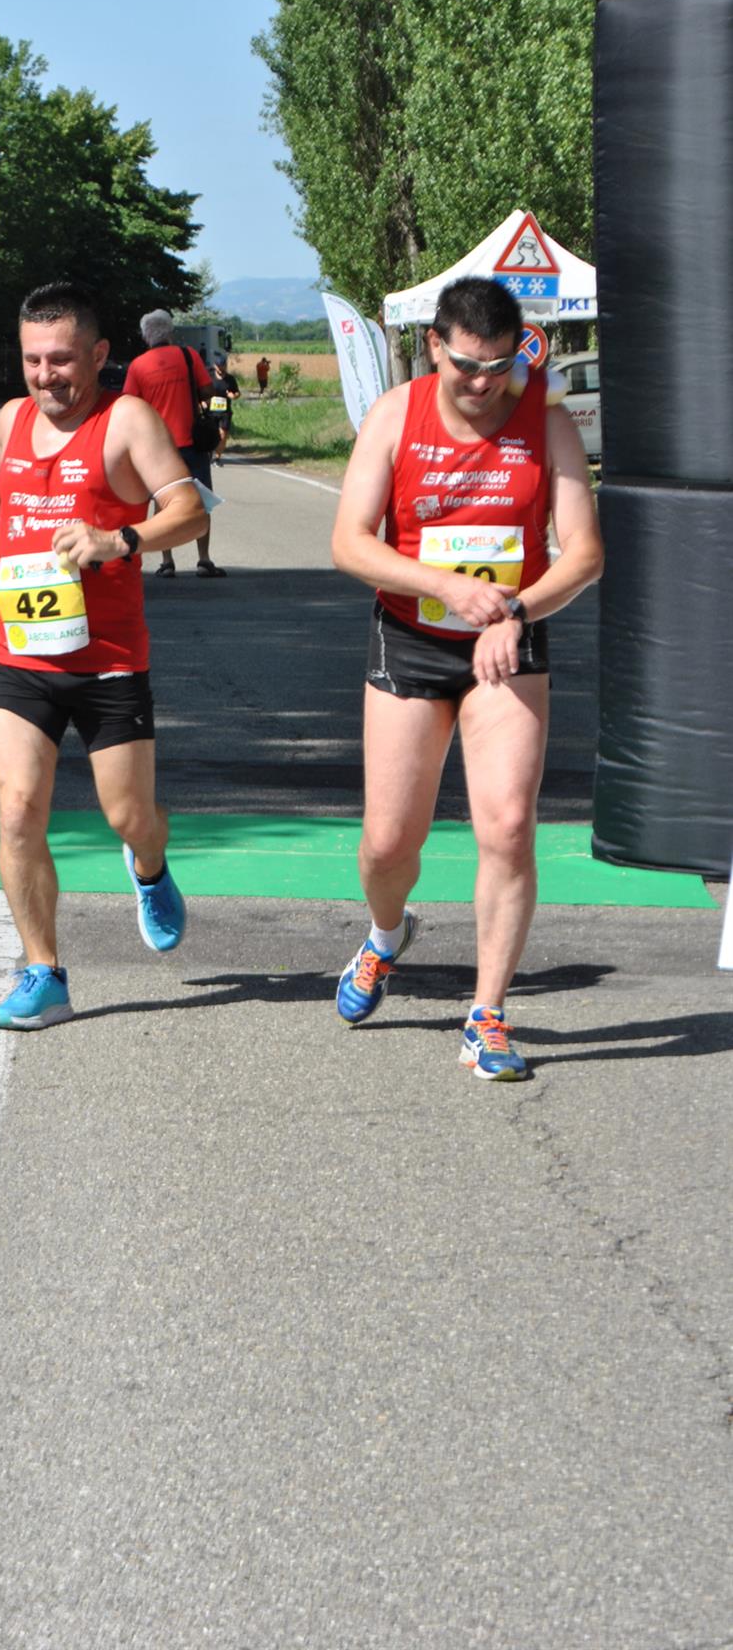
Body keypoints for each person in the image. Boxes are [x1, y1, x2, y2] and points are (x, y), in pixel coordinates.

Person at [0, 280, 208, 1030]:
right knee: (17, 810)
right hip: (20, 653)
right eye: (34, 360)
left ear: (99, 354)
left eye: (63, 359)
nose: (47, 376)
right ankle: (44, 972)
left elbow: (190, 510)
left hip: (108, 658)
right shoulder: (13, 417)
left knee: (128, 815)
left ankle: (148, 864)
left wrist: (120, 539)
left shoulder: (125, 421)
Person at [330, 275, 604, 1081]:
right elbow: (348, 542)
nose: (481, 384)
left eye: (496, 366)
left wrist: (515, 609)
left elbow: (584, 552)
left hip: (507, 642)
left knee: (509, 826)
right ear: (433, 347)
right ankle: (386, 936)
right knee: (388, 843)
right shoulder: (395, 414)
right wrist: (443, 587)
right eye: (464, 366)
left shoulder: (545, 420)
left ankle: (485, 1015)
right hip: (411, 639)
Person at [124, 309, 225, 577]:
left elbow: (129, 405)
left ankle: (167, 562)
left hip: (157, 447)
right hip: (192, 441)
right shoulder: (188, 356)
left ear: (145, 336)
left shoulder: (138, 366)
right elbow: (208, 391)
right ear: (170, 332)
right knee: (201, 501)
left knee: (163, 503)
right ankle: (204, 559)